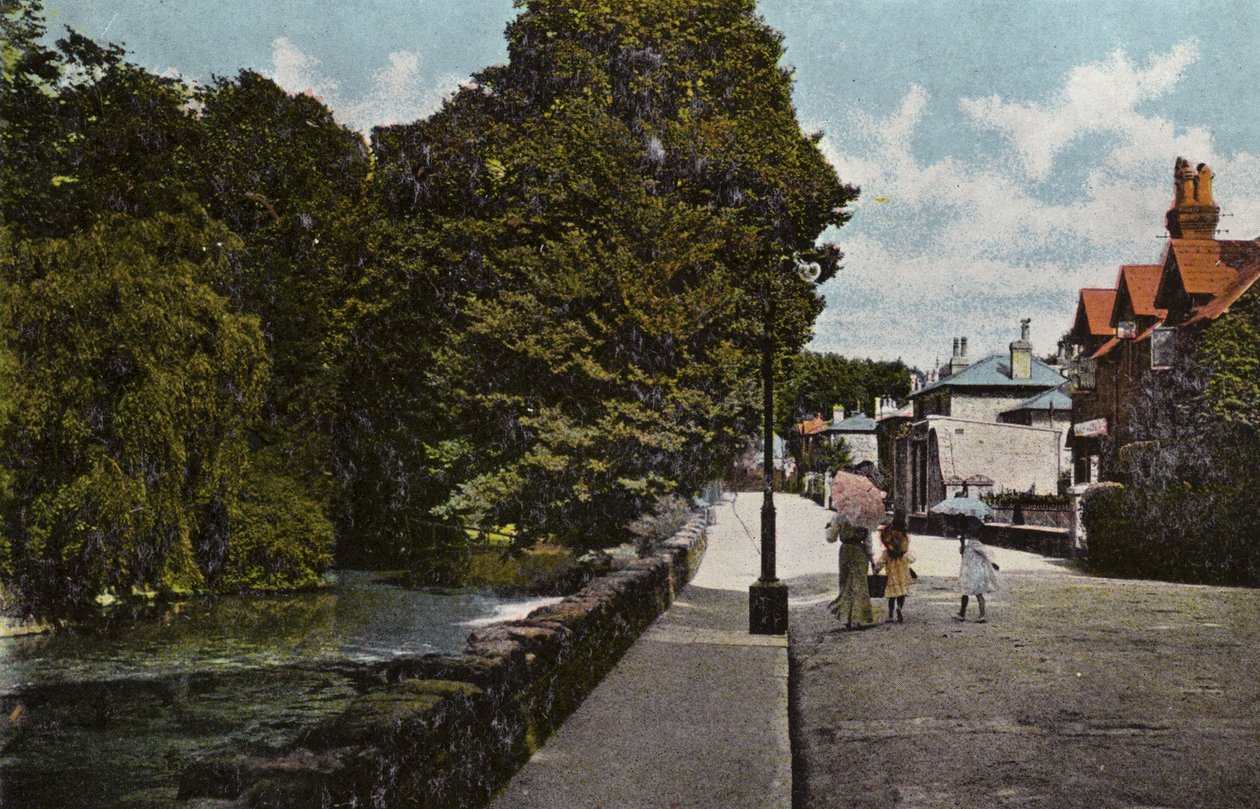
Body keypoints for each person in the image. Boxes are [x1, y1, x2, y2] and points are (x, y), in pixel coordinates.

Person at [825, 513, 875, 629]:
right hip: (859, 551)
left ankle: (846, 618)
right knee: (860, 584)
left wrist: (829, 528)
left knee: (846, 583)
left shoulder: (839, 515)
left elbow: (831, 538)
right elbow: (868, 541)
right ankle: (859, 619)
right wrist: (872, 559)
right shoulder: (865, 516)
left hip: (846, 550)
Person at [955, 515, 1000, 623]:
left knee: (976, 593)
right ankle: (963, 613)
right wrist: (962, 543)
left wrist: (993, 562)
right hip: (968, 571)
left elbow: (987, 553)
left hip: (974, 572)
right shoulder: (969, 543)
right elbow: (962, 553)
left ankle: (980, 614)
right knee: (966, 592)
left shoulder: (975, 543)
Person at [874, 518, 914, 623]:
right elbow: (912, 559)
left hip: (891, 578)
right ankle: (899, 608)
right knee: (901, 594)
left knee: (891, 597)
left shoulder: (887, 553)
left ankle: (891, 615)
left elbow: (880, 563)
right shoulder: (903, 553)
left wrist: (875, 571)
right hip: (902, 577)